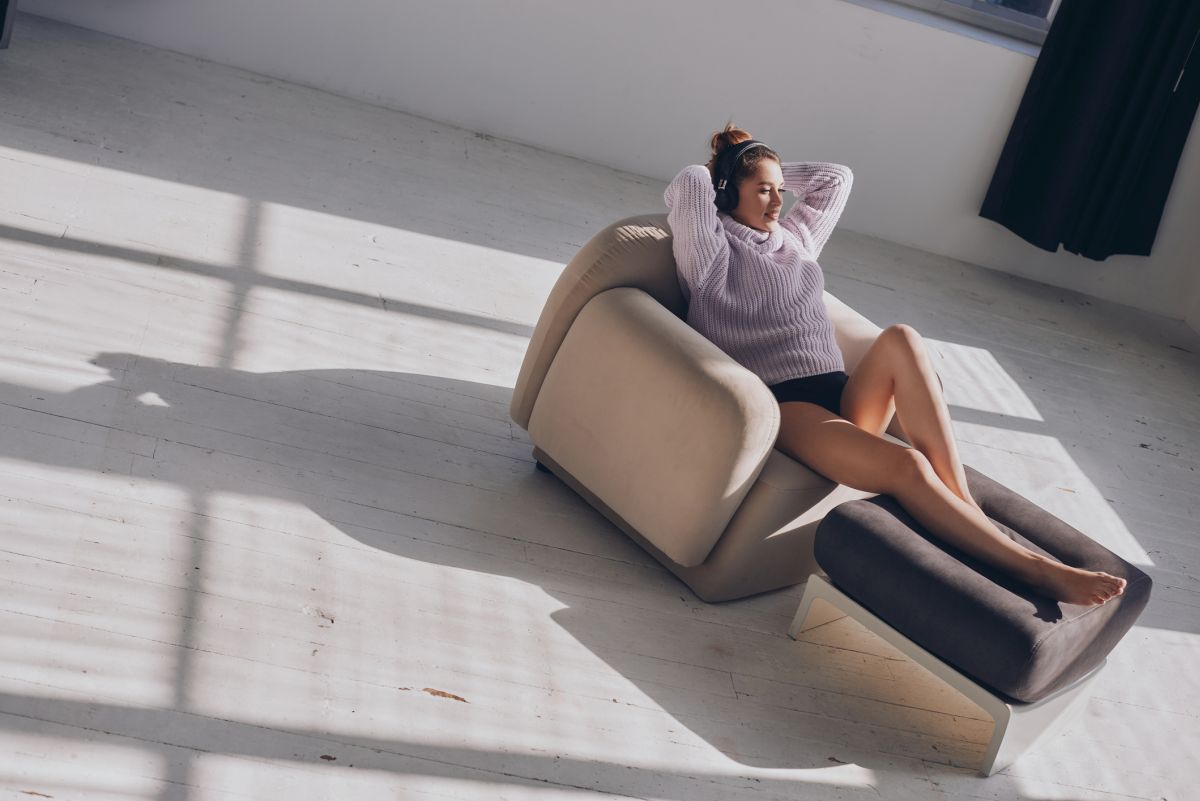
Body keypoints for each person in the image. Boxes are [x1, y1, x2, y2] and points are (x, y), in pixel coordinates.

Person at [664, 123, 1126, 606]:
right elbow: (690, 181)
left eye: (781, 189)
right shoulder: (712, 255)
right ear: (726, 192)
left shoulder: (793, 240)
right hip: (789, 406)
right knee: (907, 463)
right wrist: (727, 164)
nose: (779, 201)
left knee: (902, 337)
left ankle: (965, 506)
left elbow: (835, 178)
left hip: (842, 392)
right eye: (763, 190)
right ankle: (1036, 571)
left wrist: (765, 165)